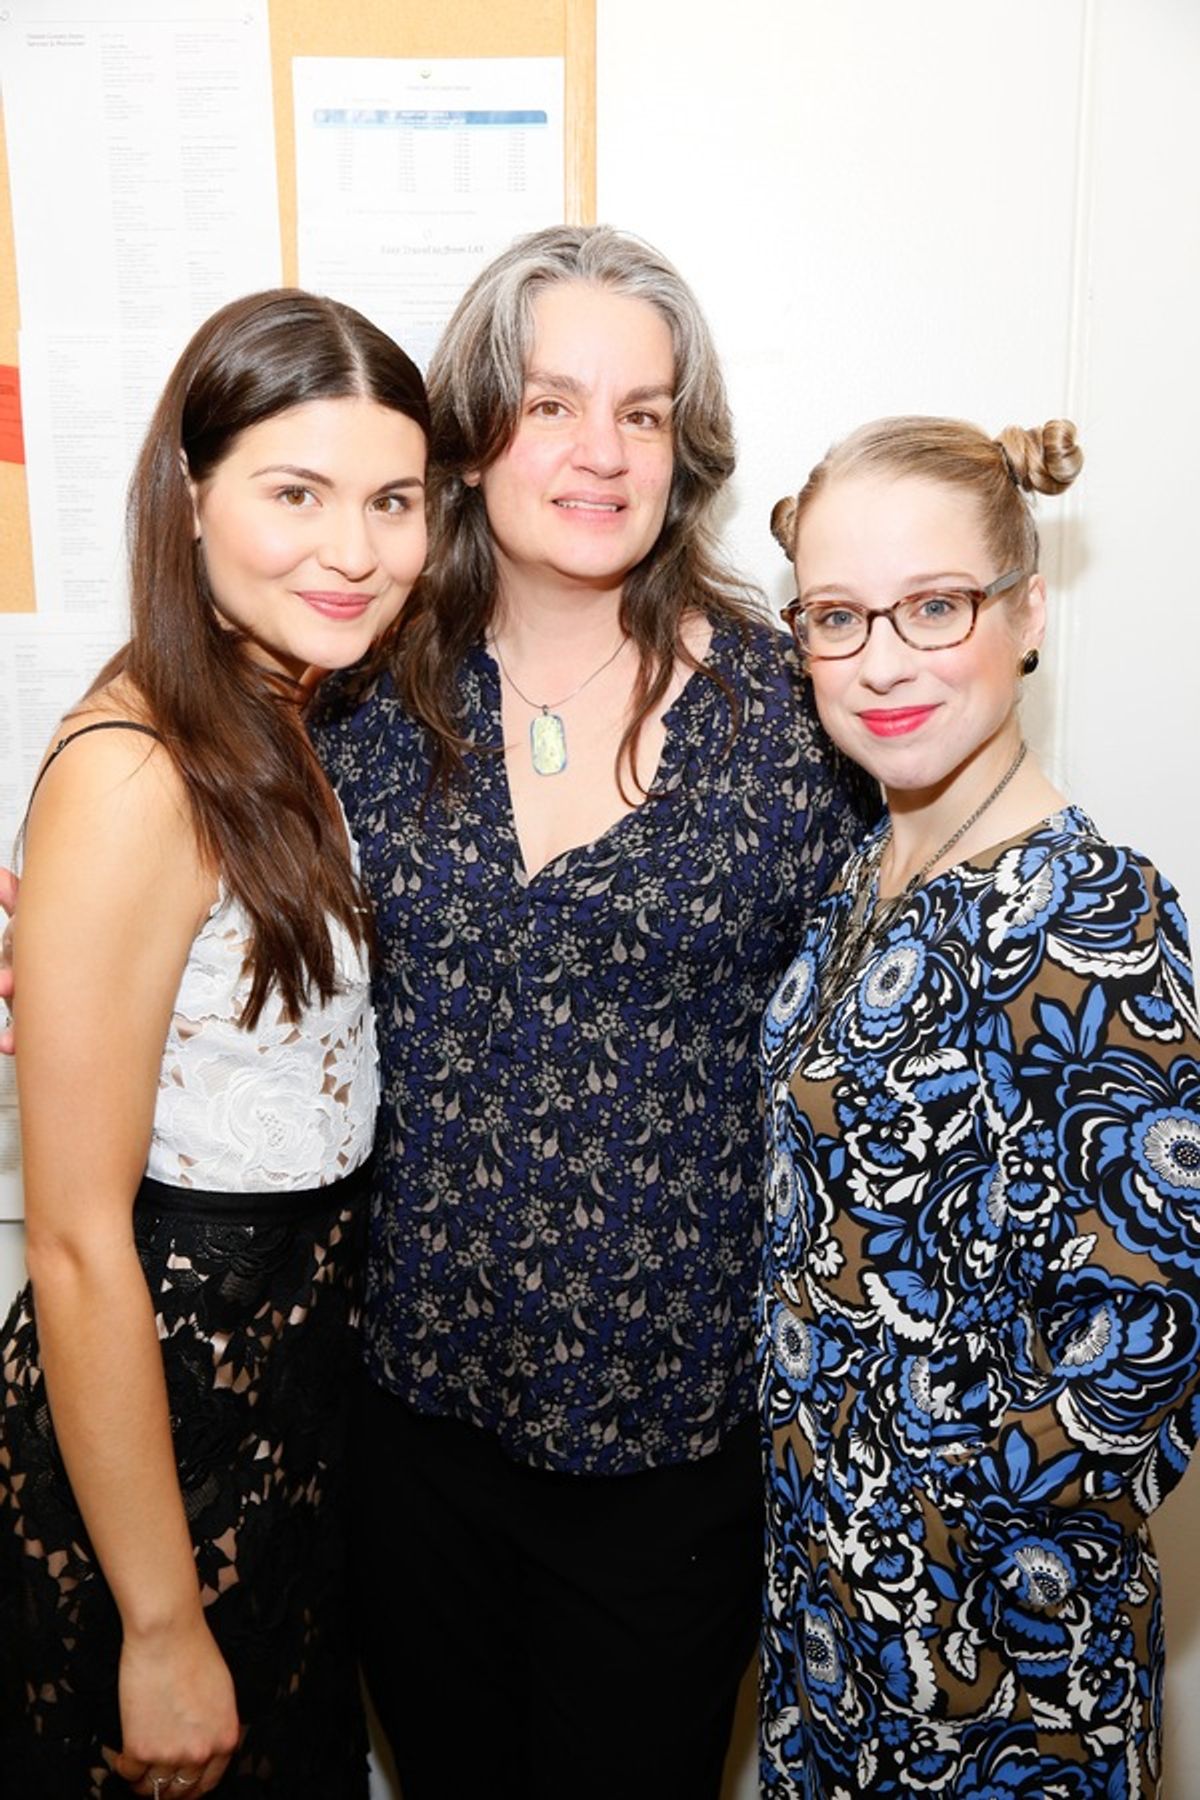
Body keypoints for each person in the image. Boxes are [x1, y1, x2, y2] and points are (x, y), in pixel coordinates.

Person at [310, 223, 872, 1800]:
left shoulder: (788, 712)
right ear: (476, 431)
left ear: (684, 447)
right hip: (412, 1420)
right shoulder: (366, 688)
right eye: (554, 402)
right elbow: (210, 875)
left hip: (673, 1451)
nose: (600, 452)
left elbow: (911, 948)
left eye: (642, 412)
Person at [0, 289, 429, 1798]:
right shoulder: (139, 772)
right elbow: (71, 1240)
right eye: (294, 493)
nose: (355, 549)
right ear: (191, 500)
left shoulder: (284, 712)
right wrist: (162, 1622)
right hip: (161, 1450)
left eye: (393, 500)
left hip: (284, 1424)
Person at [759, 414, 1200, 1796]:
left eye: (933, 606)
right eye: (839, 616)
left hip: (998, 1669)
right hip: (824, 1620)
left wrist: (933, 1524)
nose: (882, 659)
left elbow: (1149, 1346)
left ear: (1026, 617)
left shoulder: (1097, 917)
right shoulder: (862, 877)